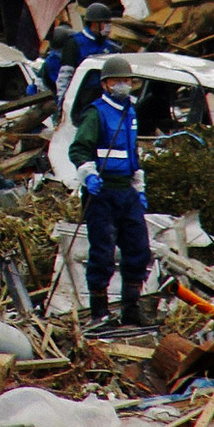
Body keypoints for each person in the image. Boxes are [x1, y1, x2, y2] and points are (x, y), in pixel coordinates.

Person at [70, 55, 150, 327]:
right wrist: (88, 175)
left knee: (138, 248)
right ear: (105, 85)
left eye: (127, 81)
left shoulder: (130, 112)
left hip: (126, 193)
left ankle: (131, 308)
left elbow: (132, 153)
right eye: (118, 81)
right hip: (101, 193)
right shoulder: (95, 113)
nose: (124, 86)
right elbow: (79, 149)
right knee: (102, 252)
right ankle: (99, 312)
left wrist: (139, 186)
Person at [52, 4, 120, 103]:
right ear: (94, 23)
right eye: (105, 23)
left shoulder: (110, 46)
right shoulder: (74, 43)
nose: (108, 27)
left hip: (104, 98)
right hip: (82, 98)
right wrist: (62, 102)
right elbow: (65, 76)